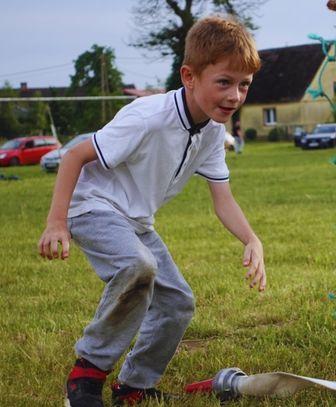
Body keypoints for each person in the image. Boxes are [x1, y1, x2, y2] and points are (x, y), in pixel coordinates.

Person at [37, 16, 267, 407]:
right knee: (138, 266)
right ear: (189, 76)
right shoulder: (148, 117)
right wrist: (56, 222)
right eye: (224, 82)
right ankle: (86, 376)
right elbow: (74, 154)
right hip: (92, 206)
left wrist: (251, 239)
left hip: (137, 221)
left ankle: (133, 387)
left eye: (243, 85)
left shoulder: (211, 131)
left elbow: (222, 197)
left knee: (178, 302)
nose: (235, 96)